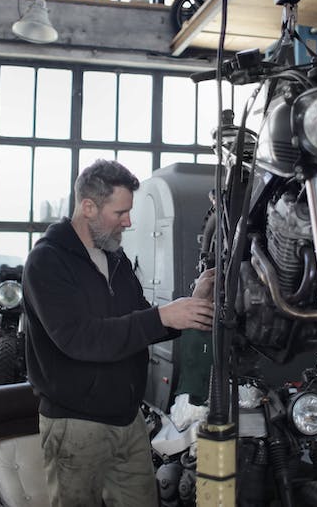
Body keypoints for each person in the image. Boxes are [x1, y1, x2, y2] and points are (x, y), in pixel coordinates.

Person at [22, 159, 215, 507]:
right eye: (120, 212)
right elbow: (79, 339)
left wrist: (187, 307)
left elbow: (139, 322)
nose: (129, 221)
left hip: (128, 419)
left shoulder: (115, 258)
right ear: (88, 207)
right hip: (75, 424)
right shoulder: (46, 262)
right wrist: (161, 317)